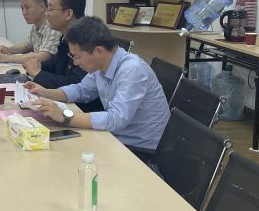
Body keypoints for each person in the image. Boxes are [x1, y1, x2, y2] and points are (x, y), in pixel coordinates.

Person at [25, 16, 169, 154]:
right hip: (115, 137)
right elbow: (82, 90)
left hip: (139, 149)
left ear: (98, 51)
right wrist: (47, 93)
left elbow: (115, 119)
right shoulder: (102, 64)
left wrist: (65, 117)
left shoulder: (132, 70)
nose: (75, 62)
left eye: (77, 57)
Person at [21, 0, 102, 113]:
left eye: (50, 9)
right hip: (67, 104)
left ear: (68, 13)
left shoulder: (87, 40)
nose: (46, 14)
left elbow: (75, 83)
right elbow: (56, 64)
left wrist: (38, 73)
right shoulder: (65, 37)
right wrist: (37, 66)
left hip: (82, 110)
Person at [0, 0, 61, 65]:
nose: (24, 12)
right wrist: (7, 49)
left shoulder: (53, 26)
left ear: (42, 7)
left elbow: (43, 56)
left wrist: (4, 58)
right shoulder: (35, 26)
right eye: (22, 8)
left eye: (27, 7)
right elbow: (27, 46)